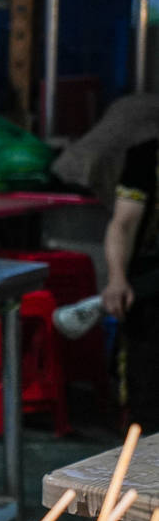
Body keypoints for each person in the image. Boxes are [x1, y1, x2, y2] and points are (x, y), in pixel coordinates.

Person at [100, 139, 159, 428]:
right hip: (149, 298)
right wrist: (117, 279)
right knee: (146, 409)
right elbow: (123, 223)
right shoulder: (146, 157)